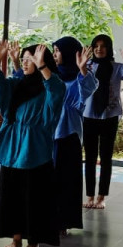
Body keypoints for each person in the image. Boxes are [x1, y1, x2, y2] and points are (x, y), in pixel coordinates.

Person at [0, 41, 65, 247]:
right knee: (11, 194)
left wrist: (42, 67)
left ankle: (33, 240)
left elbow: (57, 91)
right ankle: (16, 237)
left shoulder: (47, 87)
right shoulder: (18, 85)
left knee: (33, 196)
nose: (24, 62)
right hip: (12, 148)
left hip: (34, 149)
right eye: (23, 59)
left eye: (29, 58)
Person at [82, 34, 123, 209]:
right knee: (90, 158)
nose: (99, 49)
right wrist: (82, 65)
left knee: (106, 157)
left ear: (109, 48)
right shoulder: (87, 66)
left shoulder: (117, 68)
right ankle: (90, 196)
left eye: (103, 46)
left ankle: (101, 197)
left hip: (110, 116)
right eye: (96, 46)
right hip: (89, 116)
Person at [49, 37, 97, 235]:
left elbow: (89, 87)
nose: (54, 55)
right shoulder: (51, 75)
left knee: (67, 181)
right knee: (49, 179)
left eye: (58, 51)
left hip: (68, 135)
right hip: (50, 134)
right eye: (54, 51)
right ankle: (49, 218)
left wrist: (83, 68)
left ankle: (63, 221)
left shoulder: (80, 76)